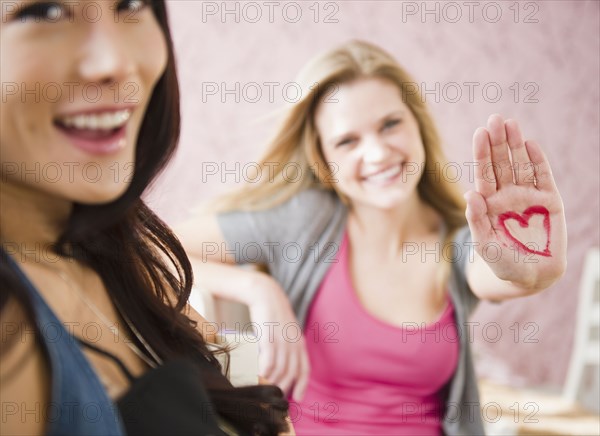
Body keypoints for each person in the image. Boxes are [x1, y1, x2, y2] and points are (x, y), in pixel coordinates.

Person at [177, 40, 568, 435]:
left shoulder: (458, 242)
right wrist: (255, 286)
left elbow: (499, 270)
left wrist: (530, 269)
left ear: (418, 125)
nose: (378, 153)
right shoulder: (306, 222)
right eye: (347, 141)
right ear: (323, 158)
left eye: (390, 124)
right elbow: (150, 245)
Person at [0, 1, 292, 434]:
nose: (116, 62)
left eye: (131, 4)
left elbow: (251, 402)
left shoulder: (115, 246)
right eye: (43, 12)